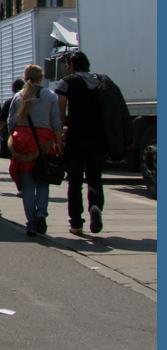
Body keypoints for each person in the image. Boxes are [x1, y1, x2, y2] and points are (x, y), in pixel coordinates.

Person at [55, 51, 107, 236]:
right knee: (95, 177)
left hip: (76, 137)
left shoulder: (67, 83)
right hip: (97, 138)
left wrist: (59, 135)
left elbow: (60, 113)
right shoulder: (100, 81)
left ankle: (76, 223)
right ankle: (95, 206)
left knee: (75, 181)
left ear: (71, 65)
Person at [7, 64, 63, 236]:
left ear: (25, 78)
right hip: (44, 142)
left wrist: (12, 139)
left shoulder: (18, 97)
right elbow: (56, 122)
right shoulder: (51, 96)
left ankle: (31, 224)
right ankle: (41, 213)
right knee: (43, 181)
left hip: (23, 143)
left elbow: (11, 122)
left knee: (28, 185)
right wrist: (59, 142)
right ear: (41, 77)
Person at [0, 78, 26, 194]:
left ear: (13, 89)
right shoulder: (30, 100)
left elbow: (2, 119)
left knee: (15, 162)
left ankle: (21, 187)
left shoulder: (9, 101)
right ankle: (29, 186)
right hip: (29, 136)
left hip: (14, 136)